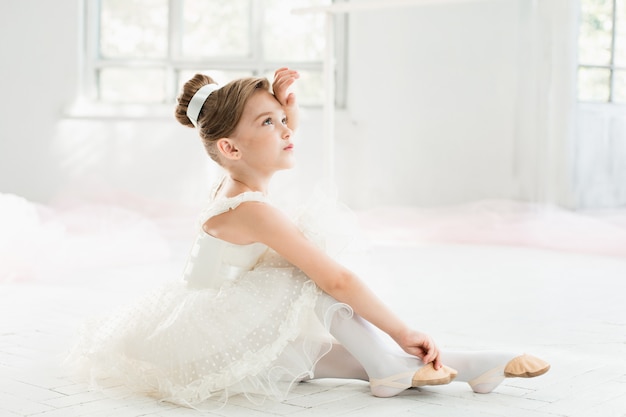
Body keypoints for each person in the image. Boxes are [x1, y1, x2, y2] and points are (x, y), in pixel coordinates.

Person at [67, 68, 549, 408]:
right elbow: (336, 281)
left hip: (215, 332)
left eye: (282, 121)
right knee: (308, 262)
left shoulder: (233, 182)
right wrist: (405, 330)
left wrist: (285, 106)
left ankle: (472, 368)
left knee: (360, 358)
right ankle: (395, 359)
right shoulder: (254, 210)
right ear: (230, 147)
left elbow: (269, 141)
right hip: (216, 341)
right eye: (269, 123)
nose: (287, 131)